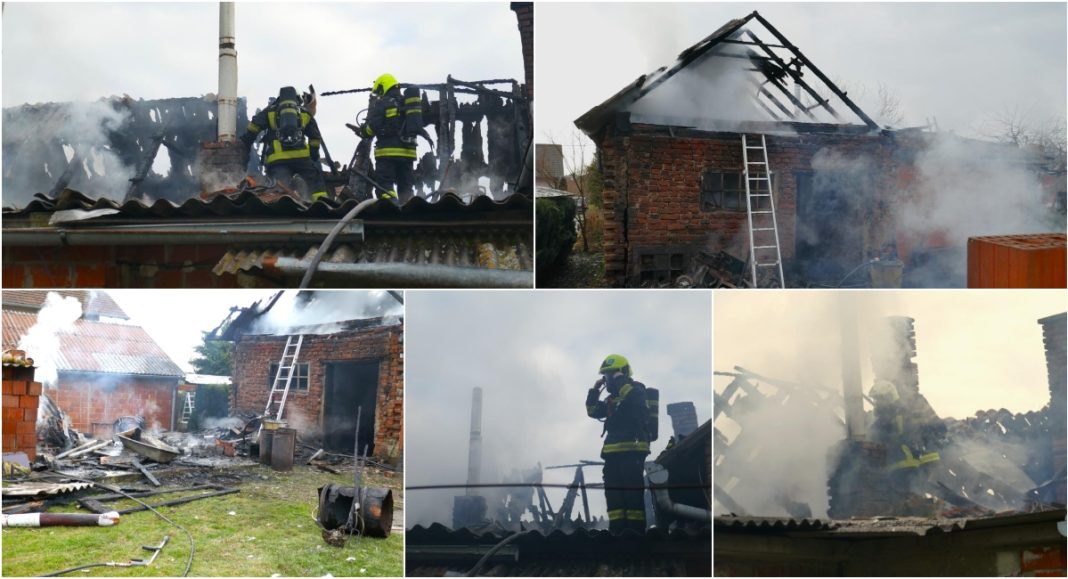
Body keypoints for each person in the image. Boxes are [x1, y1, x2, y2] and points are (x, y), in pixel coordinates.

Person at [586, 354, 651, 534]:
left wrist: (619, 379)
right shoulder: (612, 399)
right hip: (611, 453)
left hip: (632, 450)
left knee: (632, 493)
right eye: (606, 375)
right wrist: (594, 390)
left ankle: (636, 531)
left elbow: (633, 399)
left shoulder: (637, 389)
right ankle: (617, 530)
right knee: (613, 494)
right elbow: (592, 410)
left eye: (611, 373)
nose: (608, 378)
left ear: (623, 372)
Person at [240, 86, 328, 202]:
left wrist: (246, 142)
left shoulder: (270, 111)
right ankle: (322, 205)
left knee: (279, 191)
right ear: (298, 99)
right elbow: (315, 138)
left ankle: (282, 208)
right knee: (316, 186)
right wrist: (313, 155)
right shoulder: (304, 113)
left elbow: (254, 127)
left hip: (277, 160)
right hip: (302, 158)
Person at [357, 73, 424, 203]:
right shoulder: (407, 103)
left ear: (384, 86)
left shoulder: (383, 103)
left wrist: (364, 131)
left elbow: (373, 127)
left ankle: (390, 207)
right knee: (406, 187)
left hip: (387, 154)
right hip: (408, 153)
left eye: (379, 91)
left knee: (385, 186)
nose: (379, 94)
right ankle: (407, 208)